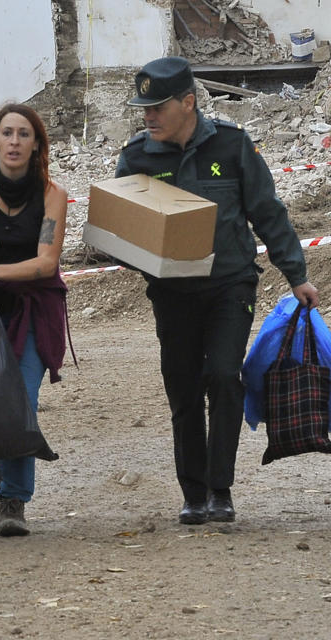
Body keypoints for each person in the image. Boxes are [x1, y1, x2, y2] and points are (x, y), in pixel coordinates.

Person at [116, 57, 319, 526]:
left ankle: (220, 489)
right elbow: (122, 233)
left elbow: (267, 211)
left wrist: (297, 275)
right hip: (172, 293)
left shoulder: (231, 145)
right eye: (142, 107)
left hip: (231, 283)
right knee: (184, 391)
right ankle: (193, 492)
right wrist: (136, 255)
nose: (147, 116)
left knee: (225, 376)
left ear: (188, 102)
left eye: (157, 107)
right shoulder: (137, 157)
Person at [0, 103, 71, 538]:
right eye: (7, 133)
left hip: (34, 307)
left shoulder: (51, 195)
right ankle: (4, 466)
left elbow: (46, 263)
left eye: (24, 134)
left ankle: (12, 499)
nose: (15, 142)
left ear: (37, 144)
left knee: (20, 400)